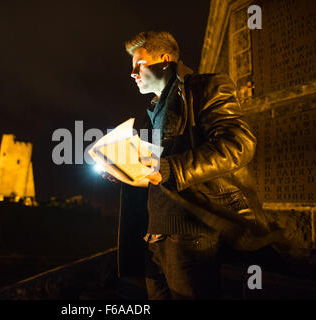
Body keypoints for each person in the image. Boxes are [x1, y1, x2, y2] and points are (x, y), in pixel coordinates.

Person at [105, 31, 289, 300]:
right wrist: (122, 168)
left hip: (192, 231)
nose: (132, 72)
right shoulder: (152, 112)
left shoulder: (206, 88)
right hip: (154, 235)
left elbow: (238, 144)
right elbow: (152, 166)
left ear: (165, 61)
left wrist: (171, 169)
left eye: (140, 64)